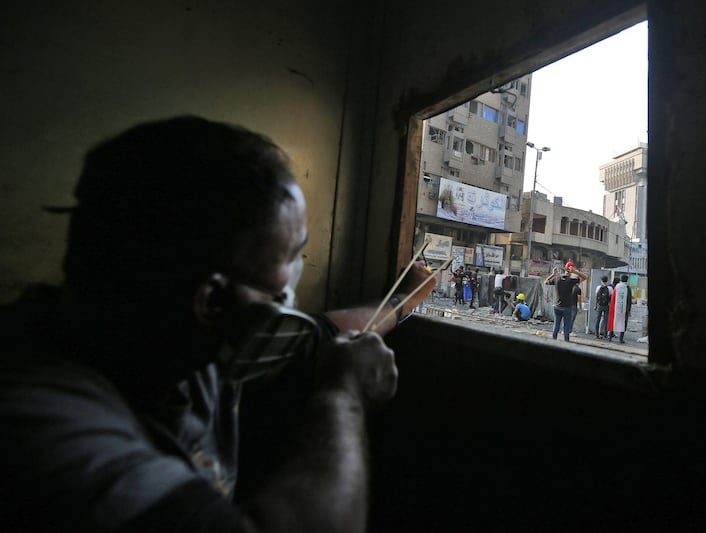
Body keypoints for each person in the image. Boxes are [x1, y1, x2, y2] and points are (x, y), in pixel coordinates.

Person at [0, 116, 436, 533]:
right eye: (288, 257)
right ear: (211, 300)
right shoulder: (44, 423)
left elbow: (326, 331)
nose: (296, 273)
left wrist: (404, 300)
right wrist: (345, 399)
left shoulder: (183, 340)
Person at [544, 261, 587, 342]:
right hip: (567, 308)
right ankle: (566, 344)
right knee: (566, 328)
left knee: (556, 326)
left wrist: (553, 274)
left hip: (557, 307)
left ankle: (553, 342)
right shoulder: (571, 281)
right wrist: (575, 271)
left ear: (564, 269)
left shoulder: (557, 279)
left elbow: (545, 282)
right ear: (571, 270)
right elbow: (585, 277)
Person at [609, 274, 632, 343]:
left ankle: (610, 337)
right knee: (623, 323)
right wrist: (629, 310)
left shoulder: (617, 286)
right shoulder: (628, 288)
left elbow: (613, 298)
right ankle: (621, 339)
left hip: (615, 308)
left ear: (621, 279)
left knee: (614, 321)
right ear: (627, 280)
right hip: (624, 309)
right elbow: (629, 300)